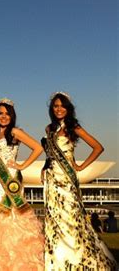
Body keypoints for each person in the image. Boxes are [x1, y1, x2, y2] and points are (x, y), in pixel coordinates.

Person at [42, 92, 116, 270]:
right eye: (56, 106)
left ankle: (79, 258)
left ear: (68, 109)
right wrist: (45, 167)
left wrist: (81, 167)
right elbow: (50, 154)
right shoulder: (49, 129)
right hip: (52, 182)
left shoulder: (73, 127)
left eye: (62, 106)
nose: (59, 109)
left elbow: (98, 147)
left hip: (67, 181)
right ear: (52, 109)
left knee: (72, 219)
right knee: (55, 221)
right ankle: (57, 260)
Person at [0, 98, 44, 270]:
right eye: (0, 113)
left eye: (7, 114)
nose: (3, 117)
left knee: (11, 224)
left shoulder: (15, 132)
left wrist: (22, 165)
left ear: (12, 116)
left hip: (8, 184)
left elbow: (38, 148)